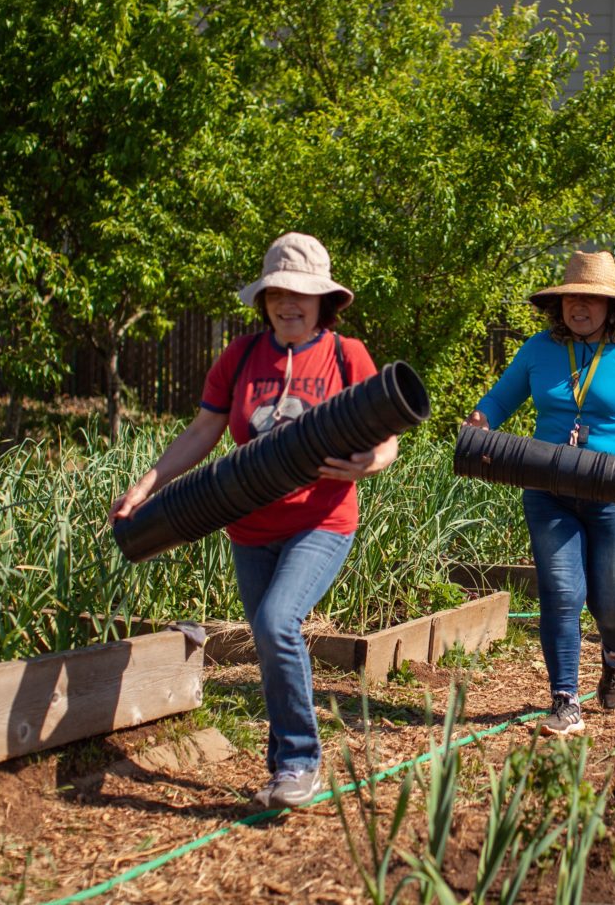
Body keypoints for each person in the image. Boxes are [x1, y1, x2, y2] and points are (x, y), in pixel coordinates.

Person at [110, 232, 398, 809]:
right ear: (264, 300)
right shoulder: (240, 357)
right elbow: (202, 431)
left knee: (274, 623)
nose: (289, 303)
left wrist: (370, 463)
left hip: (322, 521)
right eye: (277, 293)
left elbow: (386, 437)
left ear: (323, 301)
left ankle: (299, 762)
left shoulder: (347, 356)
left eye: (301, 294)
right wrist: (145, 485)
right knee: (271, 642)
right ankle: (283, 766)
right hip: (248, 528)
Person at [464, 250, 615, 736]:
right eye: (571, 299)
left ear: (613, 308)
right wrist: (482, 418)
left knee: (614, 603)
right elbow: (501, 398)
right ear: (558, 305)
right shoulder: (538, 350)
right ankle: (565, 699)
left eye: (591, 300)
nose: (579, 307)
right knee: (562, 592)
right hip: (550, 487)